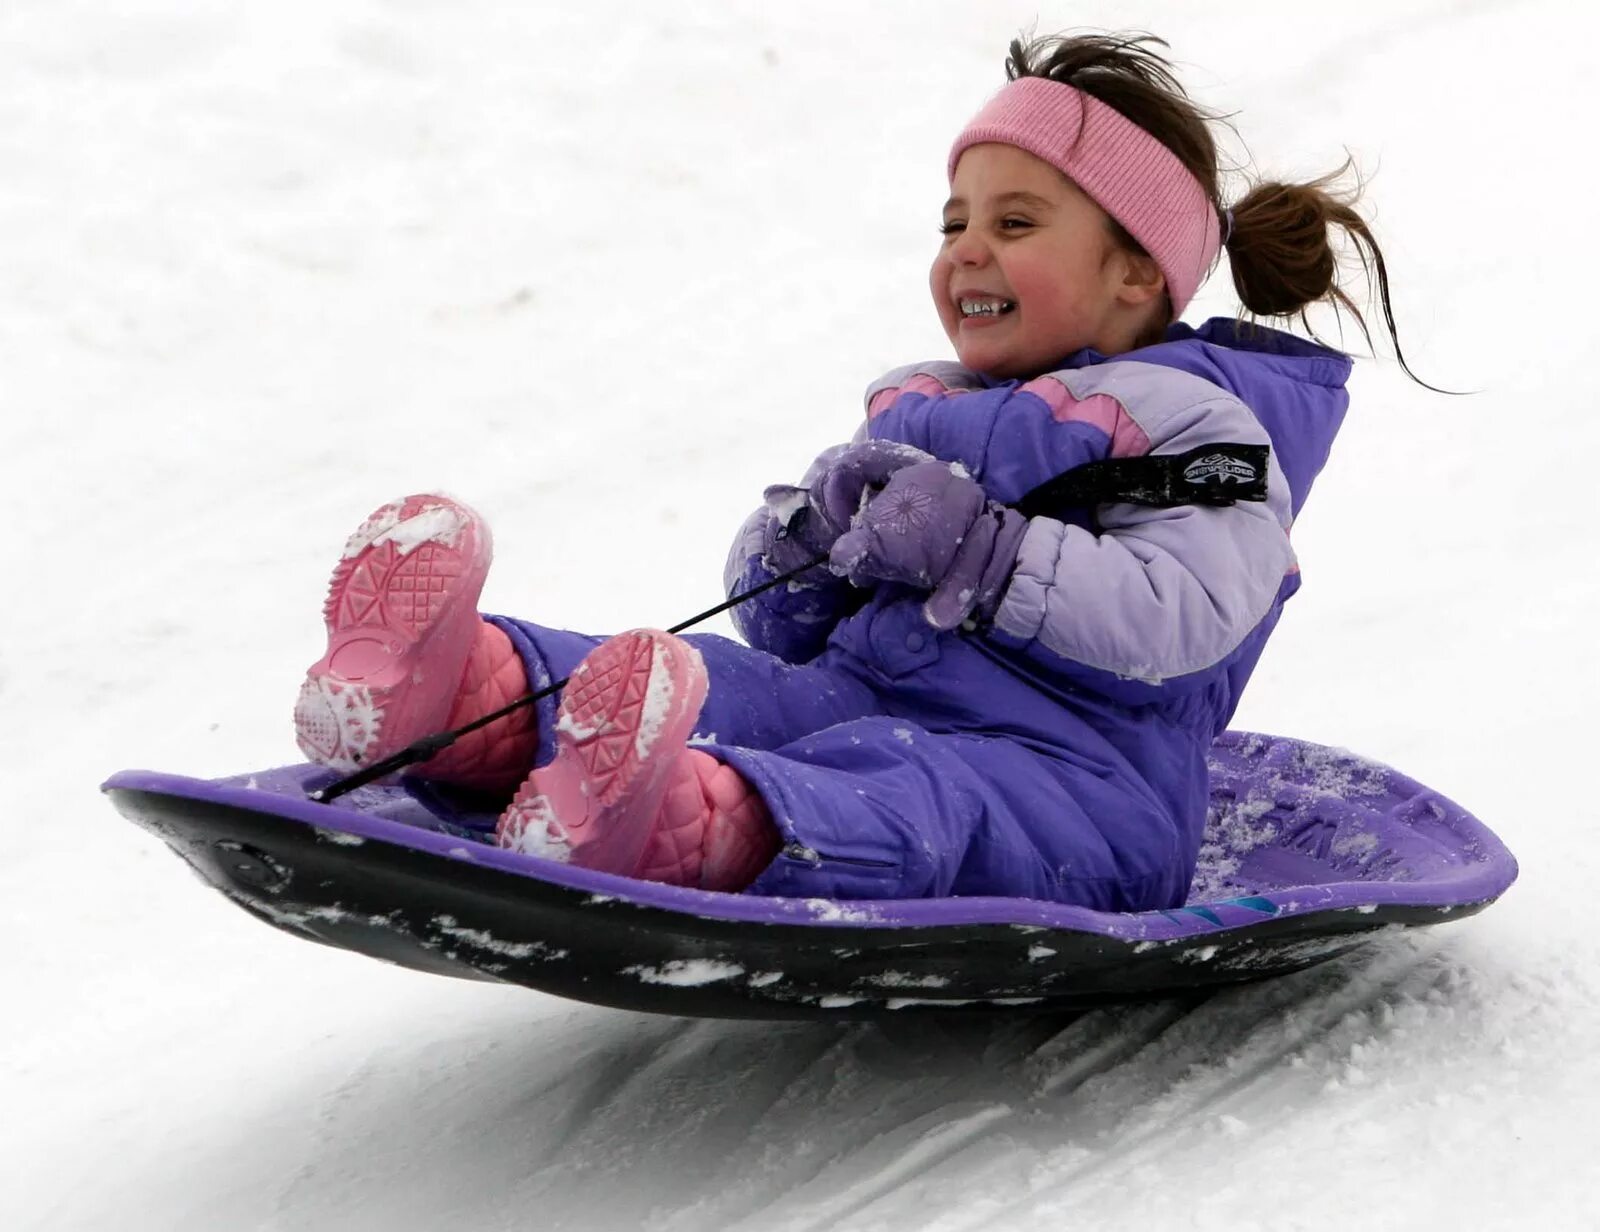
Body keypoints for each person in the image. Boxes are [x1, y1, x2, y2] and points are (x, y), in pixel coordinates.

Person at [293, 32, 1424, 910]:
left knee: (913, 795)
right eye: (954, 221)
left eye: (1015, 221)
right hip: (867, 700)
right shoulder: (930, 408)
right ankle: (455, 691)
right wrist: (801, 554)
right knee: (714, 684)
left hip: (1070, 784)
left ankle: (681, 819)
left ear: (1135, 274)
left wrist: (984, 553)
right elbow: (787, 632)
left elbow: (1185, 613)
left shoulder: (1200, 429)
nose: (966, 249)